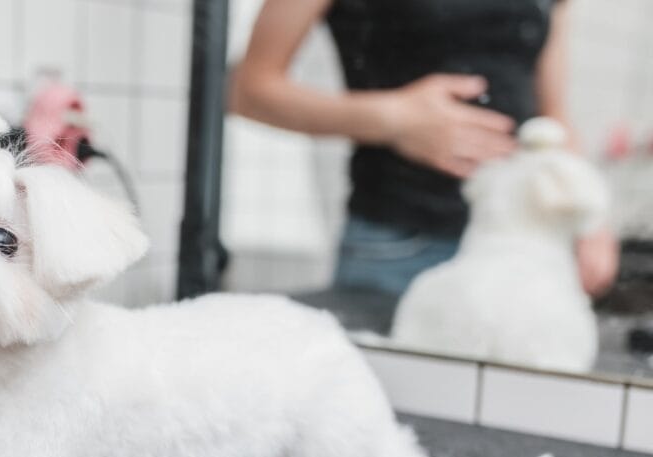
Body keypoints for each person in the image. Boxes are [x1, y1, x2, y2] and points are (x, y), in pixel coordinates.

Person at [230, 0, 619, 296]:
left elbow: (552, 114)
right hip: (400, 244)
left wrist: (590, 217)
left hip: (525, 241)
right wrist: (393, 119)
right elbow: (247, 90)